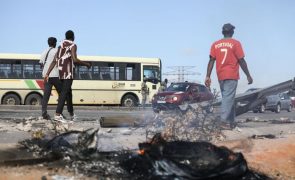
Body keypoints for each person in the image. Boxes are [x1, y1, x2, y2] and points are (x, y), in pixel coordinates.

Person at [205, 23, 253, 129]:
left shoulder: (215, 44)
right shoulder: (236, 43)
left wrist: (207, 76)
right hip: (231, 74)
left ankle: (231, 122)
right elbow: (241, 60)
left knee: (228, 98)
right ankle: (223, 121)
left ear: (223, 32)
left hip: (220, 75)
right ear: (232, 32)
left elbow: (211, 60)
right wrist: (248, 75)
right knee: (228, 98)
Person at [45, 30, 91, 122]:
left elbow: (54, 61)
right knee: (64, 93)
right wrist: (86, 64)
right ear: (73, 37)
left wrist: (47, 73)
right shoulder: (73, 45)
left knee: (68, 93)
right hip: (68, 73)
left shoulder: (60, 46)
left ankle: (72, 114)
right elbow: (75, 60)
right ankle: (58, 114)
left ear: (66, 37)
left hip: (61, 73)